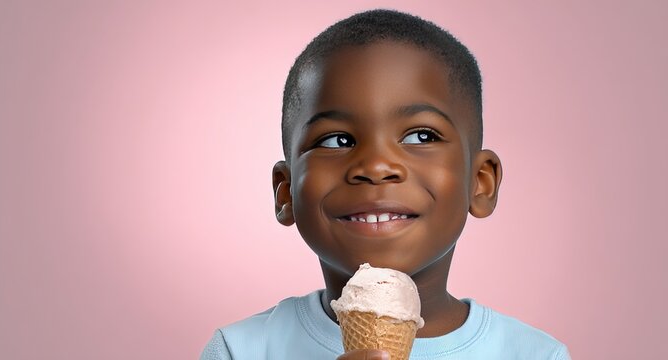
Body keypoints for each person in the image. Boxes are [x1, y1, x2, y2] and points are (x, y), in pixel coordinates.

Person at [201, 9, 570, 360]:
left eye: (421, 136)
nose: (376, 167)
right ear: (286, 192)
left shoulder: (534, 355)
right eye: (336, 141)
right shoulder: (242, 350)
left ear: (480, 182)